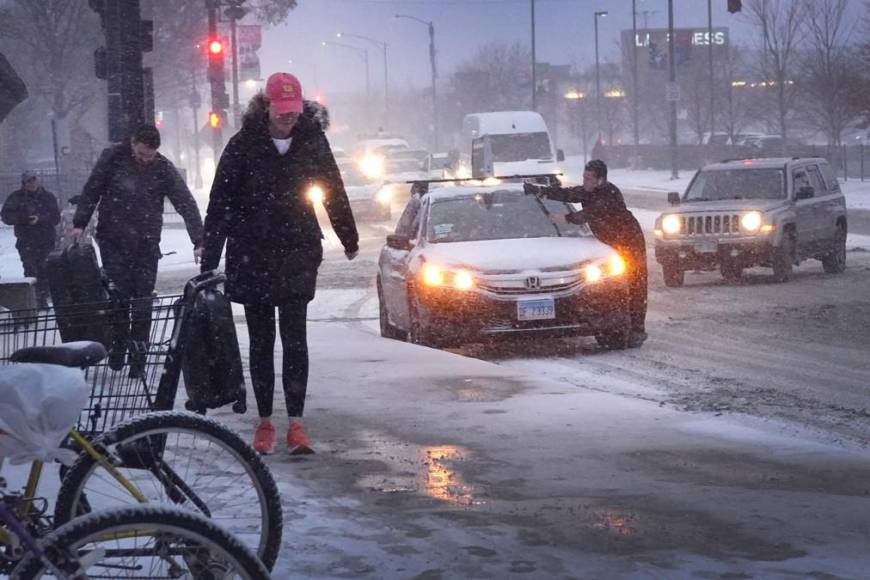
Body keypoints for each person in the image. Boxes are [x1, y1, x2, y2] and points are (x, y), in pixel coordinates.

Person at [200, 72, 359, 455]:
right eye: (281, 110)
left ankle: (297, 423)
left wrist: (348, 237)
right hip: (251, 251)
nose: (287, 118)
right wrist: (210, 255)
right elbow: (220, 203)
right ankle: (266, 421)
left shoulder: (312, 141)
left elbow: (333, 190)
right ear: (266, 106)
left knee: (295, 339)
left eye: (292, 111)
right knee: (260, 341)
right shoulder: (242, 145)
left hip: (296, 250)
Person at [71, 124, 204, 376]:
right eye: (142, 154)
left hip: (146, 242)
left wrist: (198, 239)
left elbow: (184, 201)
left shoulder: (162, 168)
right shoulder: (112, 159)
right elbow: (92, 190)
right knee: (118, 297)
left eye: (150, 156)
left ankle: (138, 360)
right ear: (133, 144)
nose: (145, 160)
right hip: (113, 239)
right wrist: (80, 223)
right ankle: (118, 348)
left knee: (142, 302)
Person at [525, 159, 648, 348]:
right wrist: (540, 191)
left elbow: (592, 213)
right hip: (610, 242)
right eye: (584, 177)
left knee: (634, 284)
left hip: (629, 241)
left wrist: (565, 218)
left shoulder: (609, 193)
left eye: (588, 178)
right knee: (617, 286)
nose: (585, 182)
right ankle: (622, 323)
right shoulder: (587, 191)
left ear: (600, 180)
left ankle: (637, 329)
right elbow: (568, 194)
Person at [1, 171, 60, 308]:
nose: (32, 184)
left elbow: (55, 217)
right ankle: (35, 299)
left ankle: (43, 297)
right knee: (30, 270)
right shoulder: (16, 197)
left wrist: (40, 219)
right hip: (26, 240)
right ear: (24, 183)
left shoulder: (48, 197)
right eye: (29, 181)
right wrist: (24, 219)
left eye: (34, 180)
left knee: (45, 270)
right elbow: (6, 217)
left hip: (46, 240)